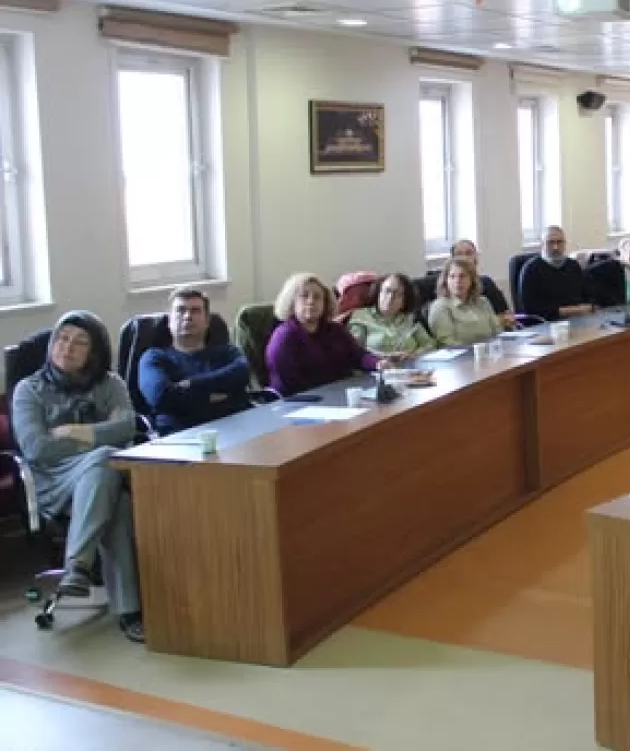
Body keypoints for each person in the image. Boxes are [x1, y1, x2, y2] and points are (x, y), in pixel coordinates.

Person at [10, 311, 144, 643]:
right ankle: (129, 610)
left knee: (114, 493)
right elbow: (37, 449)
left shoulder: (110, 384)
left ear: (94, 352)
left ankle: (78, 568)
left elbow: (128, 426)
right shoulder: (29, 390)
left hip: (101, 481)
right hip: (52, 484)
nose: (67, 347)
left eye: (79, 342)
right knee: (105, 466)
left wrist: (74, 431)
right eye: (62, 338)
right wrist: (100, 435)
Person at [137, 287, 252, 435]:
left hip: (236, 429)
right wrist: (211, 397)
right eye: (180, 310)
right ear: (169, 321)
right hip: (182, 436)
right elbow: (161, 397)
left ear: (207, 321)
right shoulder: (154, 357)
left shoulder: (227, 352)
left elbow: (243, 374)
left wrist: (191, 384)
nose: (187, 316)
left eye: (195, 311)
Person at [265, 272, 382, 396]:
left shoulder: (335, 330)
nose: (311, 301)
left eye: (317, 297)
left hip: (336, 394)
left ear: (325, 303)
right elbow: (290, 383)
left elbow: (358, 355)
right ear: (292, 303)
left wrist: (377, 363)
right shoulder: (283, 337)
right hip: (297, 402)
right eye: (304, 296)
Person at [347, 273, 436, 359]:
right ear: (379, 293)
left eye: (398, 294)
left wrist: (414, 355)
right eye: (387, 291)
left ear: (405, 300)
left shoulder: (409, 318)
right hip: (376, 370)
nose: (390, 298)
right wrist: (385, 357)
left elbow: (430, 344)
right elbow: (355, 351)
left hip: (412, 369)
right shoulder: (361, 316)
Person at [517, 226, 593, 322]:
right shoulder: (530, 270)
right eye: (550, 242)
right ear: (542, 245)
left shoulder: (573, 266)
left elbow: (587, 297)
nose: (555, 247)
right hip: (545, 324)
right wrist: (574, 310)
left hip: (577, 321)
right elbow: (531, 310)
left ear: (565, 244)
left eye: (559, 242)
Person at [428, 258, 504, 346]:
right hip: (462, 357)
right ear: (446, 281)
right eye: (452, 276)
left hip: (490, 353)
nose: (457, 281)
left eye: (462, 276)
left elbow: (498, 332)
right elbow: (447, 342)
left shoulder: (483, 302)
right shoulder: (440, 306)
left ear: (472, 280)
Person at [450, 239, 514, 329]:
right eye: (459, 254)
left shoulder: (486, 283)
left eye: (468, 253)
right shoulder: (451, 288)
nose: (464, 258)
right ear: (452, 260)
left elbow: (506, 317)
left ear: (476, 258)